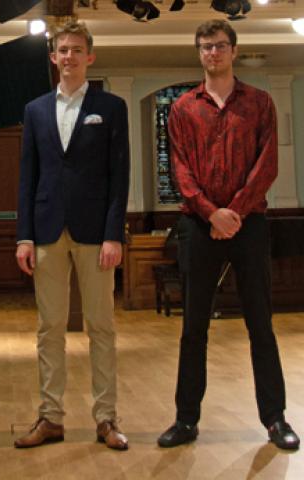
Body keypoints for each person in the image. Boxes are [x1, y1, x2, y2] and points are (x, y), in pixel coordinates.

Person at [157, 19, 300, 450]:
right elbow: (180, 170)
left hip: (248, 224)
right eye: (204, 47)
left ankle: (275, 419)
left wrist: (233, 212)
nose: (212, 53)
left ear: (234, 51)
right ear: (199, 53)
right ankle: (186, 420)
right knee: (193, 327)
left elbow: (267, 165)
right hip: (197, 226)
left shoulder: (259, 103)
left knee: (261, 324)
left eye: (219, 46)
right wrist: (210, 213)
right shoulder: (182, 107)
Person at [14, 20, 130, 450]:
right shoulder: (35, 109)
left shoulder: (111, 107)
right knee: (49, 329)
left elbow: (119, 177)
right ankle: (51, 417)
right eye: (62, 50)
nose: (69, 57)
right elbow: (27, 177)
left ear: (90, 56)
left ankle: (106, 418)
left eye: (77, 50)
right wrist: (23, 235)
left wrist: (114, 234)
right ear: (53, 57)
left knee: (101, 327)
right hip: (45, 232)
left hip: (95, 235)